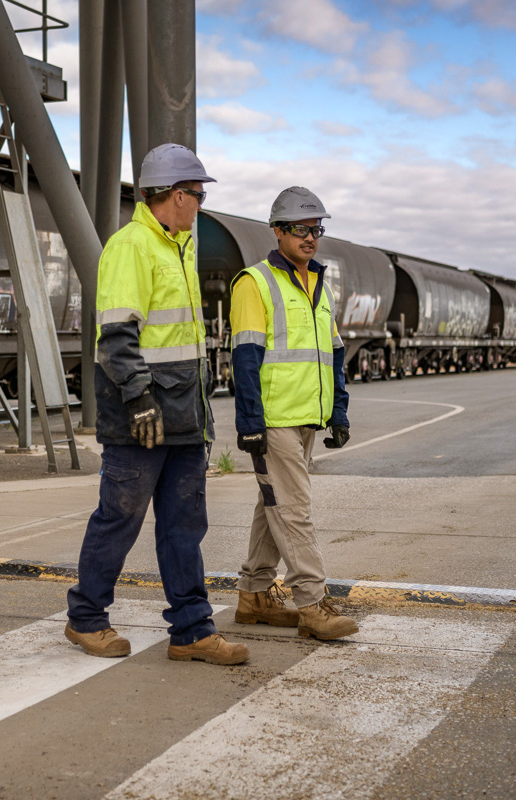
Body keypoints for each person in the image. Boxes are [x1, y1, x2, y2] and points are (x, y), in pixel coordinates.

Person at [65, 144, 250, 666]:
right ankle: (86, 618)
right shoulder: (132, 247)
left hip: (184, 415)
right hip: (141, 417)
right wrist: (140, 397)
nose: (201, 204)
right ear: (175, 195)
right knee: (119, 518)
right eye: (198, 195)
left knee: (184, 527)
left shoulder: (181, 246)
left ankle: (192, 631)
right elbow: (117, 335)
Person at [228, 186, 359, 641]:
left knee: (275, 506)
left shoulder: (319, 287)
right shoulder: (256, 282)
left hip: (306, 417)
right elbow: (245, 358)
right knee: (294, 509)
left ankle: (254, 595)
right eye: (300, 229)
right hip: (273, 419)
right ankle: (312, 602)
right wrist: (249, 423)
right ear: (278, 231)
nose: (310, 238)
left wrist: (338, 412)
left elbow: (334, 354)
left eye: (316, 229)